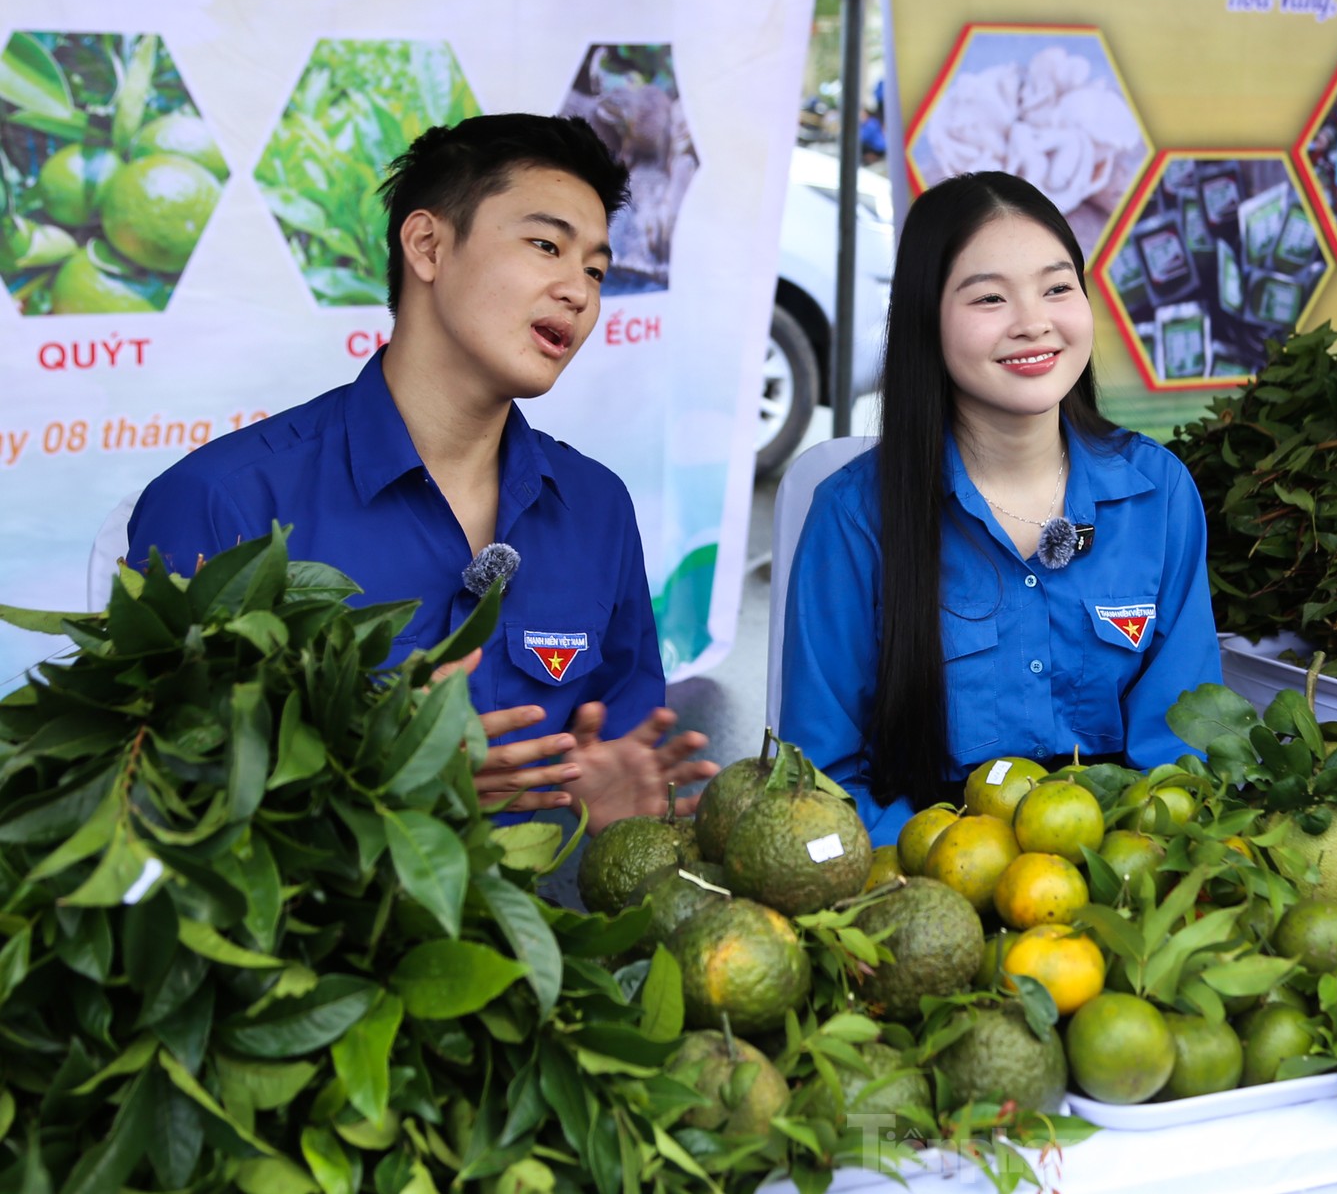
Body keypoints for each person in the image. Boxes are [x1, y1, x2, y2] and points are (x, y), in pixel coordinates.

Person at [125, 113, 718, 829]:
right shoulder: (222, 503)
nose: (579, 291)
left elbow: (626, 753)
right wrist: (372, 773)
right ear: (428, 245)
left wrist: (622, 808)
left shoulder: (596, 507)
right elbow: (159, 809)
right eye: (545, 246)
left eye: (595, 268)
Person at [779, 171, 1222, 845]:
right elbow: (821, 780)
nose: (1034, 321)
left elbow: (1184, 750)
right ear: (927, 317)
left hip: (1121, 876)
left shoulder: (1157, 496)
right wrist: (951, 866)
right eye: (990, 296)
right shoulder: (853, 519)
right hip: (921, 892)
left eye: (1056, 287)